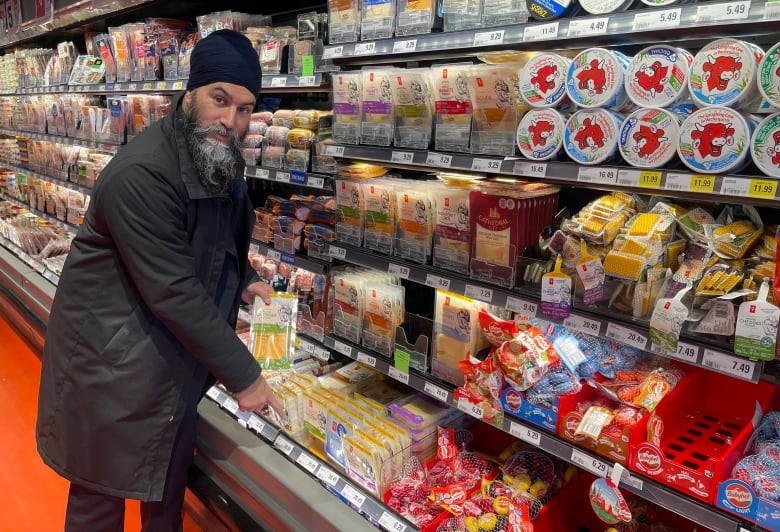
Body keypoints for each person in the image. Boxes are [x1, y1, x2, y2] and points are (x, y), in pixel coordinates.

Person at [36, 29, 283, 532]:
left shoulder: (214, 154)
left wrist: (247, 279)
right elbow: (173, 288)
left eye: (244, 108)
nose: (231, 120)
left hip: (167, 361)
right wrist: (245, 375)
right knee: (99, 503)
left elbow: (214, 241)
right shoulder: (143, 173)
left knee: (165, 495)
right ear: (189, 92)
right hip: (109, 365)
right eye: (220, 100)